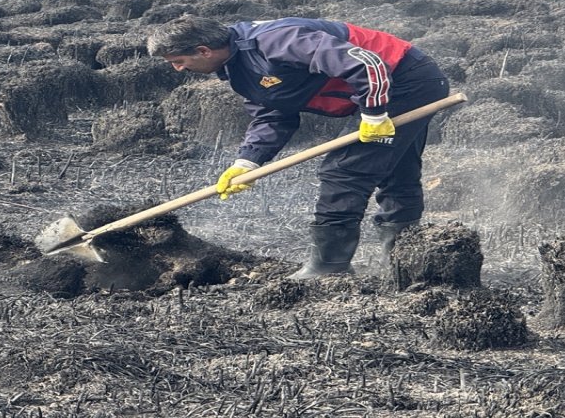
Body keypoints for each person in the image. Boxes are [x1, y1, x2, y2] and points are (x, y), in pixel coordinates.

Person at [147, 15, 449, 278]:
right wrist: (247, 162)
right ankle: (405, 261)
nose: (177, 69)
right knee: (396, 170)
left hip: (406, 80)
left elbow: (366, 63)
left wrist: (374, 114)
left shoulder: (278, 40)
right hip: (388, 86)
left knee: (344, 170)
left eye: (179, 62)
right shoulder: (238, 68)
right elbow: (273, 113)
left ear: (203, 50)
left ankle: (328, 267)